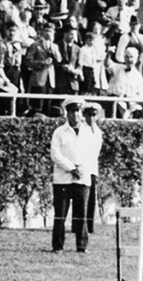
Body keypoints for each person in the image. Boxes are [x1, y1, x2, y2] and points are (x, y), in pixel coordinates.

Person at [50, 97, 90, 253]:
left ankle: (82, 246)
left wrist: (81, 169)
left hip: (82, 178)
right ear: (66, 113)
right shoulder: (59, 132)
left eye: (77, 111)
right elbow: (55, 154)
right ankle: (58, 246)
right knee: (60, 215)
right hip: (63, 179)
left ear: (81, 113)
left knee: (82, 215)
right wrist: (71, 168)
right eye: (71, 111)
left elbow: (92, 154)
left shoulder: (88, 131)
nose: (75, 115)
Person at [82, 102, 103, 239]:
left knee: (91, 199)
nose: (91, 118)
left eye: (94, 115)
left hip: (92, 168)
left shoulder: (98, 132)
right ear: (84, 115)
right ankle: (78, 226)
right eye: (89, 115)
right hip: (82, 168)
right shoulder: (81, 130)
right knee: (81, 200)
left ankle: (89, 226)